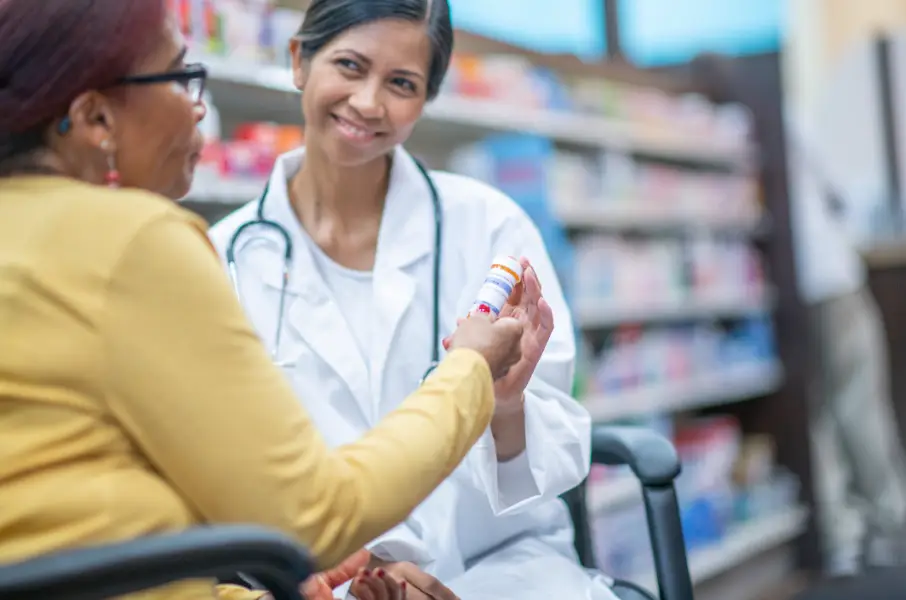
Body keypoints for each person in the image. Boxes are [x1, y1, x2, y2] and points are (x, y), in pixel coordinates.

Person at [0, 3, 529, 600]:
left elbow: (75, 541)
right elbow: (315, 518)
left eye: (402, 83)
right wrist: (472, 369)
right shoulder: (135, 238)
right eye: (179, 77)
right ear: (95, 116)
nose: (198, 105)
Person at [208, 1, 607, 599]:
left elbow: (553, 450)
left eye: (401, 83)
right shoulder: (224, 259)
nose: (369, 103)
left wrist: (502, 406)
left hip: (496, 566)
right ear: (298, 61)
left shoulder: (490, 228)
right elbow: (219, 463)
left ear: (426, 98)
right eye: (349, 65)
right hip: (320, 581)